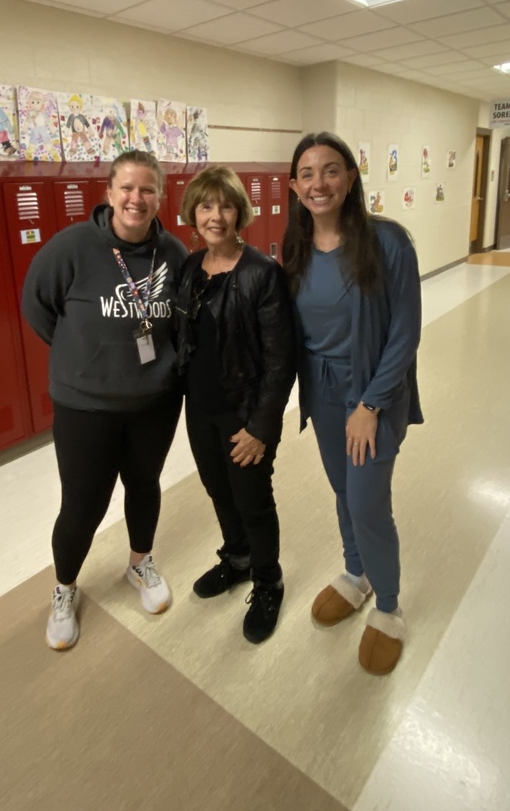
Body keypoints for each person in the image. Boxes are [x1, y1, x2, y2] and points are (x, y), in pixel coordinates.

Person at [22, 150, 187, 651]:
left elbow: (180, 323)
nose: (137, 199)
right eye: (127, 188)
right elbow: (37, 306)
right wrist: (83, 358)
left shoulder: (174, 254)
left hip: (154, 403)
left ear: (160, 196)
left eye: (147, 189)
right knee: (82, 504)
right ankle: (65, 589)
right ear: (109, 193)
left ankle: (140, 565)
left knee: (144, 485)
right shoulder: (71, 248)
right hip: (85, 406)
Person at [283, 132, 422, 675]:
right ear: (295, 187)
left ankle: (387, 607)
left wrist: (370, 404)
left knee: (367, 502)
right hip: (321, 391)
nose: (320, 183)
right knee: (343, 489)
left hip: (370, 395)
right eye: (308, 174)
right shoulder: (293, 248)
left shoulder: (388, 242)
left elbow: (405, 332)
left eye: (331, 170)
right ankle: (355, 573)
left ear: (351, 177)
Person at [175, 167, 296, 643]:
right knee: (219, 492)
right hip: (200, 410)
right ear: (194, 214)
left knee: (252, 500)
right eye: (206, 206)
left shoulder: (262, 274)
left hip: (244, 414)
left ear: (240, 212)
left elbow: (281, 360)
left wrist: (262, 427)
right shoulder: (190, 268)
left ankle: (269, 581)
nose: (216, 216)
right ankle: (238, 558)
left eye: (225, 205)